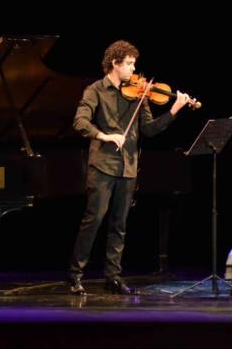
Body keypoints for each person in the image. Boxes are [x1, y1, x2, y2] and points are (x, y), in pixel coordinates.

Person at [68, 40, 191, 295]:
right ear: (115, 64)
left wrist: (174, 110)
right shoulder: (95, 90)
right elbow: (80, 122)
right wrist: (104, 135)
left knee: (119, 224)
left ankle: (112, 276)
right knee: (94, 220)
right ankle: (75, 275)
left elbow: (149, 128)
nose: (134, 70)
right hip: (102, 166)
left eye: (134, 64)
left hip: (128, 167)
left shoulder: (139, 93)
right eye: (129, 64)